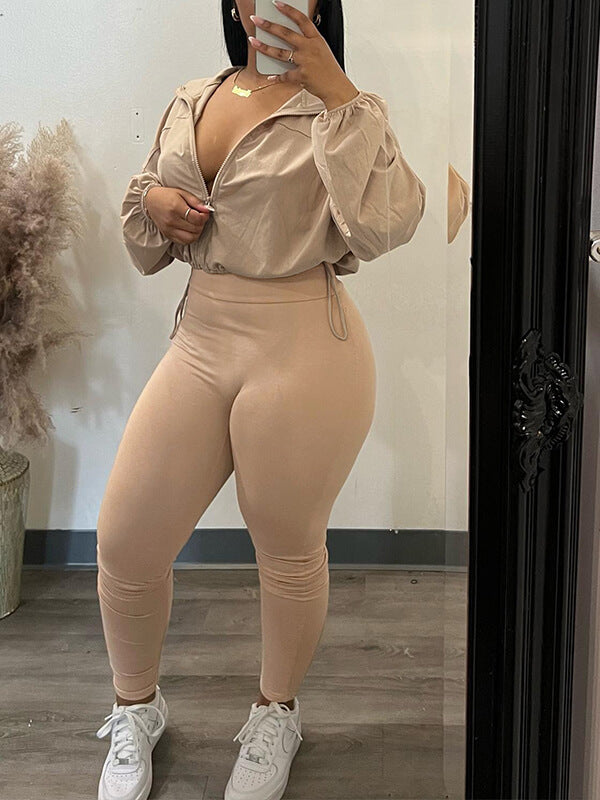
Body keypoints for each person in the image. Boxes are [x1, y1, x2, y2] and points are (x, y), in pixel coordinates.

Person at [94, 2, 426, 799]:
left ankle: (277, 712)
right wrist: (156, 206)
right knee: (126, 539)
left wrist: (340, 92)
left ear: (318, 4)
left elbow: (390, 223)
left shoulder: (343, 110)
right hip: (202, 338)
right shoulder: (194, 97)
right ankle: (136, 707)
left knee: (286, 544)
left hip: (304, 345)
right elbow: (142, 231)